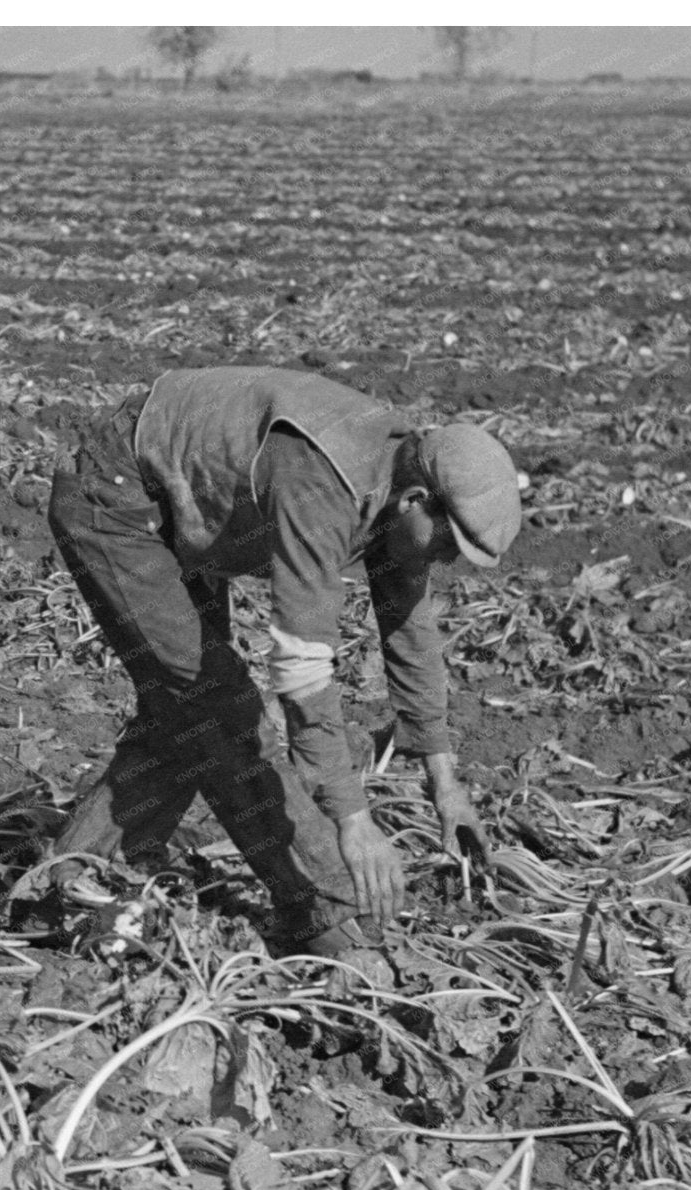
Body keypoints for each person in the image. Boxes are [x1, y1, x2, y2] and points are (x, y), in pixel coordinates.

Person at [43, 365, 522, 959]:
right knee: (218, 706)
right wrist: (350, 820)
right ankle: (324, 907)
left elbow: (411, 634)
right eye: (448, 544)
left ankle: (70, 878)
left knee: (186, 708)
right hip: (114, 498)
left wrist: (444, 784)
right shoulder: (324, 481)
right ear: (418, 502)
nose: (445, 561)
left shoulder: (399, 490)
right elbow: (300, 670)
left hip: (173, 506)